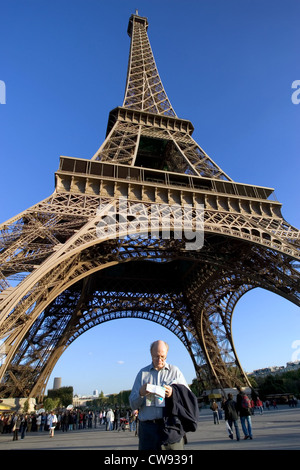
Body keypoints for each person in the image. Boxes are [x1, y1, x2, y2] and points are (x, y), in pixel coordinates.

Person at [129, 340, 198, 451]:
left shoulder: (175, 372)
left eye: (163, 356)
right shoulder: (142, 374)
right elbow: (132, 404)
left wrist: (173, 393)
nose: (160, 360)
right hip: (148, 431)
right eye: (156, 356)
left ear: (166, 354)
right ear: (151, 354)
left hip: (171, 428)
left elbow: (187, 397)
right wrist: (141, 393)